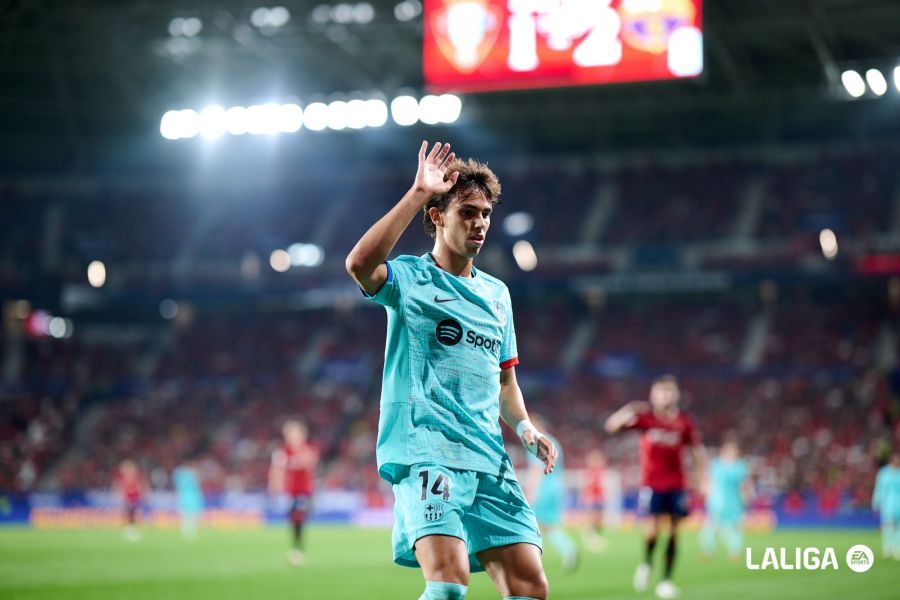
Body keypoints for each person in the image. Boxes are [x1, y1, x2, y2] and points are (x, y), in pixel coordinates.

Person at [345, 141, 558, 600]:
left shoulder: (498, 296)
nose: (480, 222)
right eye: (467, 212)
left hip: (489, 460)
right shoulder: (410, 279)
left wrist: (524, 428)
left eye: (485, 213)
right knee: (447, 586)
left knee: (530, 587)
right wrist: (419, 192)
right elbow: (359, 264)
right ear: (438, 217)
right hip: (429, 455)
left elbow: (505, 382)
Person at [605, 375, 705, 600]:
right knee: (652, 530)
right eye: (660, 392)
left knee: (673, 532)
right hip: (651, 484)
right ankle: (647, 563)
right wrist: (630, 408)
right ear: (653, 395)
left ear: (676, 395)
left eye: (669, 392)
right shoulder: (645, 419)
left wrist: (701, 478)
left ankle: (666, 581)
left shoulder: (684, 422)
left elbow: (696, 450)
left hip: (677, 484)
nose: (664, 396)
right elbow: (611, 427)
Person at [524, 415, 578, 571]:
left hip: (543, 490)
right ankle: (567, 549)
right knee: (547, 526)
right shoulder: (554, 442)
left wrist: (530, 492)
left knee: (532, 524)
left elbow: (536, 470)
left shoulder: (535, 442)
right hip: (556, 488)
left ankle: (533, 558)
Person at [269, 419, 319, 566]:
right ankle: (296, 549)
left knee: (298, 516)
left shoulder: (308, 449)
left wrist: (292, 463)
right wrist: (274, 486)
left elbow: (310, 461)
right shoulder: (283, 451)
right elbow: (276, 470)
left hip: (304, 491)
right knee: (293, 519)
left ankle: (298, 550)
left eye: (296, 433)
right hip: (289, 491)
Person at [699, 435, 751, 560]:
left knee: (735, 527)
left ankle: (735, 551)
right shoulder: (716, 465)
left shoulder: (740, 466)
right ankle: (707, 549)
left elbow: (744, 484)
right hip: (718, 501)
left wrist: (745, 498)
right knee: (713, 526)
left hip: (734, 501)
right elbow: (708, 481)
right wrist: (706, 491)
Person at [872, 451, 900, 559]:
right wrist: (876, 502)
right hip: (887, 503)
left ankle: (897, 549)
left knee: (898, 528)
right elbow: (879, 488)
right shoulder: (884, 473)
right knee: (888, 527)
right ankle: (888, 548)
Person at [580, 448, 608, 552]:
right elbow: (587, 487)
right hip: (593, 499)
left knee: (599, 520)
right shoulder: (590, 473)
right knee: (594, 519)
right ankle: (592, 539)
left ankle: (595, 537)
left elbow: (601, 487)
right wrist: (586, 497)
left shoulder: (600, 471)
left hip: (599, 499)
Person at [113, 459, 146, 542]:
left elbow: (141, 486)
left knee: (134, 513)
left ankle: (133, 528)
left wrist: (142, 494)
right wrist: (118, 494)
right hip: (127, 498)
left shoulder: (136, 477)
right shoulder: (123, 478)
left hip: (135, 498)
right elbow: (119, 486)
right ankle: (128, 529)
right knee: (128, 513)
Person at [172, 458, 204, 541]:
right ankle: (189, 530)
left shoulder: (178, 472)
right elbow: (197, 484)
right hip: (189, 495)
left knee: (187, 514)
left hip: (186, 495)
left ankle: (187, 530)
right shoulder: (191, 473)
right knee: (189, 514)